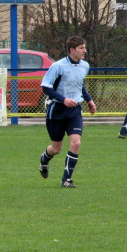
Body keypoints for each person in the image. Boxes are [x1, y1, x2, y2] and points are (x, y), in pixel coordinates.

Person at [38, 36, 96, 188]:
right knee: (56, 149)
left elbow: (79, 85)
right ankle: (44, 160)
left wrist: (89, 101)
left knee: (76, 143)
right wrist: (63, 99)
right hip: (57, 110)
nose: (85, 51)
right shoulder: (58, 66)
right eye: (81, 48)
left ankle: (66, 180)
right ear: (72, 50)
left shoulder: (85, 66)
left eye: (85, 47)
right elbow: (45, 87)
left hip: (75, 110)